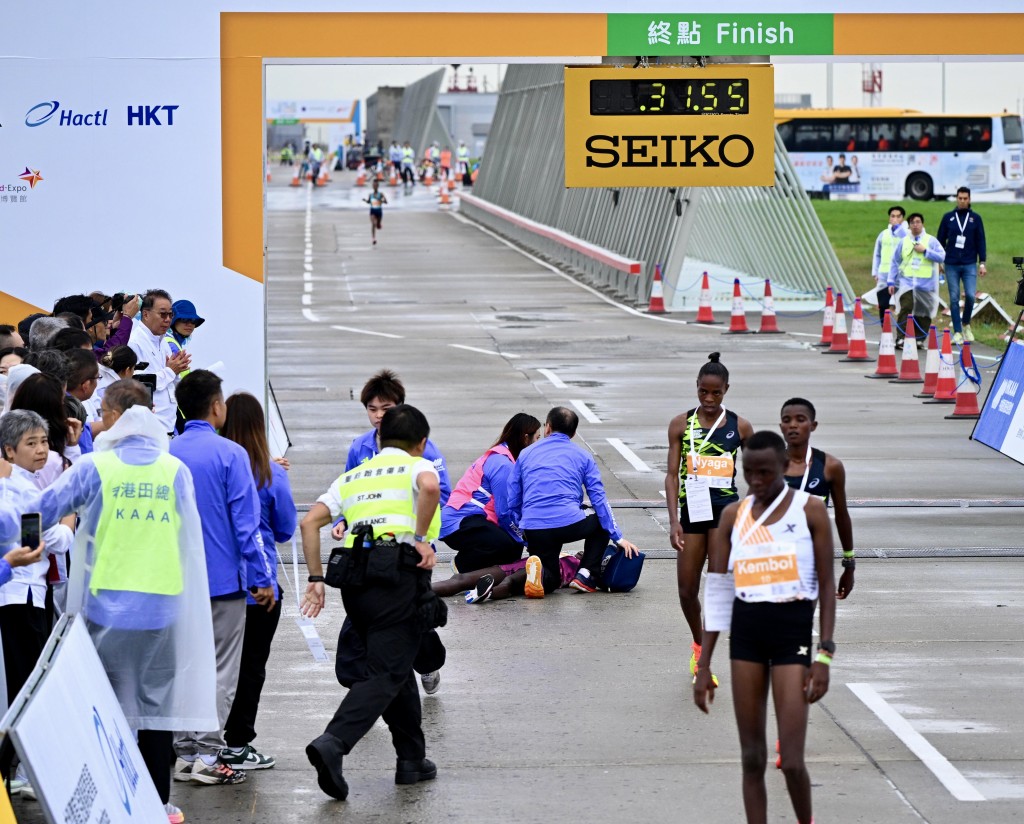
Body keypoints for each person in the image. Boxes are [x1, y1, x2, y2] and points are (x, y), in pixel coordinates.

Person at [36, 379, 218, 824]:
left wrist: (23, 553)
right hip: (163, 607)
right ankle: (158, 804)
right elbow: (188, 541)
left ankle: (112, 801)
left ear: (114, 419)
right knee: (155, 710)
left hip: (104, 609)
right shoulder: (174, 471)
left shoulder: (94, 467)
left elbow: (37, 510)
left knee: (106, 705)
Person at [300, 405, 442, 801]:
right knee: (384, 672)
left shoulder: (352, 476)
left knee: (394, 666)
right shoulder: (417, 466)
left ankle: (412, 760)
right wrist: (420, 538)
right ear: (421, 443)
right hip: (398, 578)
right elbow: (430, 487)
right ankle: (335, 741)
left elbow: (309, 522)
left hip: (356, 585)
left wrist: (315, 579)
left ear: (379, 440)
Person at [693, 431, 836, 824]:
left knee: (790, 760)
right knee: (752, 758)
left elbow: (826, 583)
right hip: (747, 636)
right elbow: (719, 589)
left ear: (784, 468)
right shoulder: (732, 516)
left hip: (793, 636)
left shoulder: (809, 511)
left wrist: (824, 653)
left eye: (766, 473)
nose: (756, 481)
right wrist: (704, 665)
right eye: (749, 473)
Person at [169, 370, 275, 786]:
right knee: (221, 670)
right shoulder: (231, 455)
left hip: (177, 581)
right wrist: (261, 577)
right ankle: (209, 753)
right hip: (224, 583)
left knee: (184, 666)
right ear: (216, 407)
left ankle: (183, 751)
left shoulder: (168, 451)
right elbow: (245, 527)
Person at [336, 369, 449, 695]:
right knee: (362, 614)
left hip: (410, 550)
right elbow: (349, 490)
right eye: (372, 409)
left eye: (385, 409)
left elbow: (440, 492)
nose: (378, 416)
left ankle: (427, 663)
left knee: (412, 613)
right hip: (365, 549)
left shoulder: (424, 447)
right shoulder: (359, 447)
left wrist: (420, 537)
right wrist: (342, 520)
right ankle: (359, 682)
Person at [665, 352, 754, 680]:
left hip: (725, 515)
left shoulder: (739, 425)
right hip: (692, 513)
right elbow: (672, 475)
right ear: (697, 388)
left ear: (726, 390)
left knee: (717, 585)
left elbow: (758, 471)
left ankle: (706, 663)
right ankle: (699, 645)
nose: (709, 398)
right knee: (686, 590)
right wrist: (674, 520)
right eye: (704, 391)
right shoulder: (680, 424)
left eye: (716, 393)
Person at [221, 392, 297, 771]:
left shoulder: (211, 467)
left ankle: (197, 742)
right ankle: (237, 742)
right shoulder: (270, 472)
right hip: (259, 584)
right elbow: (284, 530)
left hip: (215, 583)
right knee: (251, 667)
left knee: (215, 664)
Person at [507, 406, 639, 597]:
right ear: (574, 433)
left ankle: (541, 575)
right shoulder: (583, 456)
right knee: (601, 521)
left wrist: (524, 529)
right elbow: (598, 498)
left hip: (534, 527)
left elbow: (513, 499)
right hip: (569, 523)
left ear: (548, 428)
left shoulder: (526, 454)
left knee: (552, 578)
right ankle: (586, 574)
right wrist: (617, 537)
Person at [0, 411, 74, 702]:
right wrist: (69, 516)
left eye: (44, 441)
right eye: (31, 443)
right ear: (9, 449)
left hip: (21, 593)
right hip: (23, 594)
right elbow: (43, 543)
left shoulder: (25, 485)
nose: (41, 449)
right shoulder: (21, 489)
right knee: (27, 688)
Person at [439, 412, 540, 573]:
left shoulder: (504, 456)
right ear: (525, 438)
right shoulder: (503, 464)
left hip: (469, 518)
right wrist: (525, 538)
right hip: (460, 520)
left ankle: (483, 574)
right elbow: (505, 512)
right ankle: (461, 566)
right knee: (506, 544)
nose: (538, 444)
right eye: (537, 438)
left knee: (513, 549)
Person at [779, 398, 855, 599]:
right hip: (775, 554)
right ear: (781, 426)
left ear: (813, 426)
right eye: (787, 420)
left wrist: (849, 563)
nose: (793, 425)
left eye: (800, 419)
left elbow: (842, 515)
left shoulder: (830, 466)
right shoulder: (769, 465)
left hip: (811, 554)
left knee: (801, 620)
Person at [128, 290, 191, 435]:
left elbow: (170, 385)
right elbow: (137, 384)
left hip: (168, 428)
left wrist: (177, 371)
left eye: (171, 314)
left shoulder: (163, 342)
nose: (168, 319)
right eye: (163, 314)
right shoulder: (134, 342)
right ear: (145, 314)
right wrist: (170, 371)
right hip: (147, 431)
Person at [936, 186, 987, 345]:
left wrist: (982, 263)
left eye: (965, 198)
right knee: (954, 297)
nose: (962, 201)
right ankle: (957, 332)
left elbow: (981, 241)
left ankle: (966, 324)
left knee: (971, 295)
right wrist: (939, 261)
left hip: (970, 263)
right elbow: (940, 240)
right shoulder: (948, 217)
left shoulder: (975, 219)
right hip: (951, 263)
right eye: (960, 198)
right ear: (956, 199)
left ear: (969, 199)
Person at [434, 551, 582, 604]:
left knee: (509, 583)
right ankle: (418, 589)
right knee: (461, 578)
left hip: (539, 572)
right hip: (517, 565)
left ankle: (486, 593)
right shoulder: (565, 554)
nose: (581, 553)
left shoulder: (583, 569)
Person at [888, 213, 945, 347]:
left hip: (926, 285)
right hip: (906, 284)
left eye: (918, 222)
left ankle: (920, 338)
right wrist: (891, 281)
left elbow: (942, 256)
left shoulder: (931, 241)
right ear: (909, 225)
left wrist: (926, 251)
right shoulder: (904, 241)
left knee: (923, 312)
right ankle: (901, 337)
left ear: (922, 224)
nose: (915, 225)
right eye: (912, 222)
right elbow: (895, 261)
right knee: (906, 308)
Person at [871, 205, 907, 316]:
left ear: (902, 219)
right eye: (892, 216)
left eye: (898, 216)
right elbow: (877, 254)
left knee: (903, 305)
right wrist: (875, 272)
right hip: (884, 275)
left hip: (901, 276)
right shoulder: (883, 234)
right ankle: (884, 330)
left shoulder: (906, 235)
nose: (895, 219)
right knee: (883, 305)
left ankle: (902, 330)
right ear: (889, 218)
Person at [364, 180, 388, 245]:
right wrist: (365, 201)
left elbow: (386, 202)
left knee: (378, 225)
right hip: (372, 211)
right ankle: (373, 238)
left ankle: (379, 224)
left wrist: (381, 200)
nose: (374, 186)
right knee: (373, 223)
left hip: (379, 211)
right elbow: (369, 202)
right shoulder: (370, 195)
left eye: (376, 185)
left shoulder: (381, 194)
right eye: (373, 185)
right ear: (372, 186)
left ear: (378, 186)